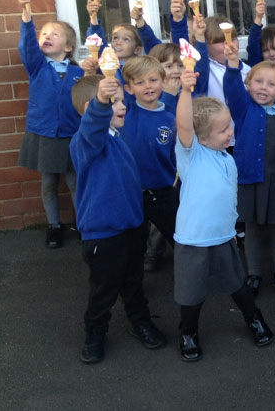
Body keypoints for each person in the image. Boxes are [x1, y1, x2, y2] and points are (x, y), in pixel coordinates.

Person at [173, 69, 274, 362]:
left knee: (236, 285)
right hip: (194, 240)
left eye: (229, 126)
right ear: (201, 138)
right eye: (223, 130)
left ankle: (253, 318)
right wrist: (186, 92)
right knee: (191, 294)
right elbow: (183, 125)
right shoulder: (192, 154)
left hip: (224, 238)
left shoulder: (227, 157)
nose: (230, 132)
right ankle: (188, 331)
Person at [69, 74, 166, 364]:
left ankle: (140, 322)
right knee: (104, 288)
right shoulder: (85, 142)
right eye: (116, 102)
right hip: (102, 234)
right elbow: (91, 128)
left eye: (123, 101)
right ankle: (95, 333)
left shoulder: (118, 138)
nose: (123, 107)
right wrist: (102, 100)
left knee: (133, 281)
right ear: (92, 109)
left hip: (132, 227)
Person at [223, 45, 275, 299]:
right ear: (248, 83)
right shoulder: (245, 110)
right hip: (252, 180)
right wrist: (233, 65)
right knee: (253, 229)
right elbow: (232, 91)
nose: (263, 88)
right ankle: (253, 274)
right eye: (258, 82)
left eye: (270, 84)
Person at [16, 0, 83, 248]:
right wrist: (26, 13)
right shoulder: (37, 67)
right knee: (48, 183)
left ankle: (82, 223)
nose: (47, 37)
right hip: (45, 133)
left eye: (54, 34)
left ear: (67, 47)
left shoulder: (78, 73)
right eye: (44, 33)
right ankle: (54, 225)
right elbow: (28, 46)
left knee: (74, 181)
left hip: (71, 133)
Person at [120, 56, 180, 273]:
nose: (148, 87)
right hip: (132, 192)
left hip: (164, 191)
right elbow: (112, 77)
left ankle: (192, 280)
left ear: (163, 83)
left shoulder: (170, 115)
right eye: (140, 82)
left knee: (180, 238)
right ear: (128, 88)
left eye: (153, 80)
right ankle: (134, 290)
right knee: (133, 245)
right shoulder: (126, 110)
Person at [81, 0, 143, 85]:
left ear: (137, 49)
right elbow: (97, 39)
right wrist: (93, 16)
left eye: (125, 39)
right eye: (115, 38)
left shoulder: (142, 67)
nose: (118, 42)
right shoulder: (105, 62)